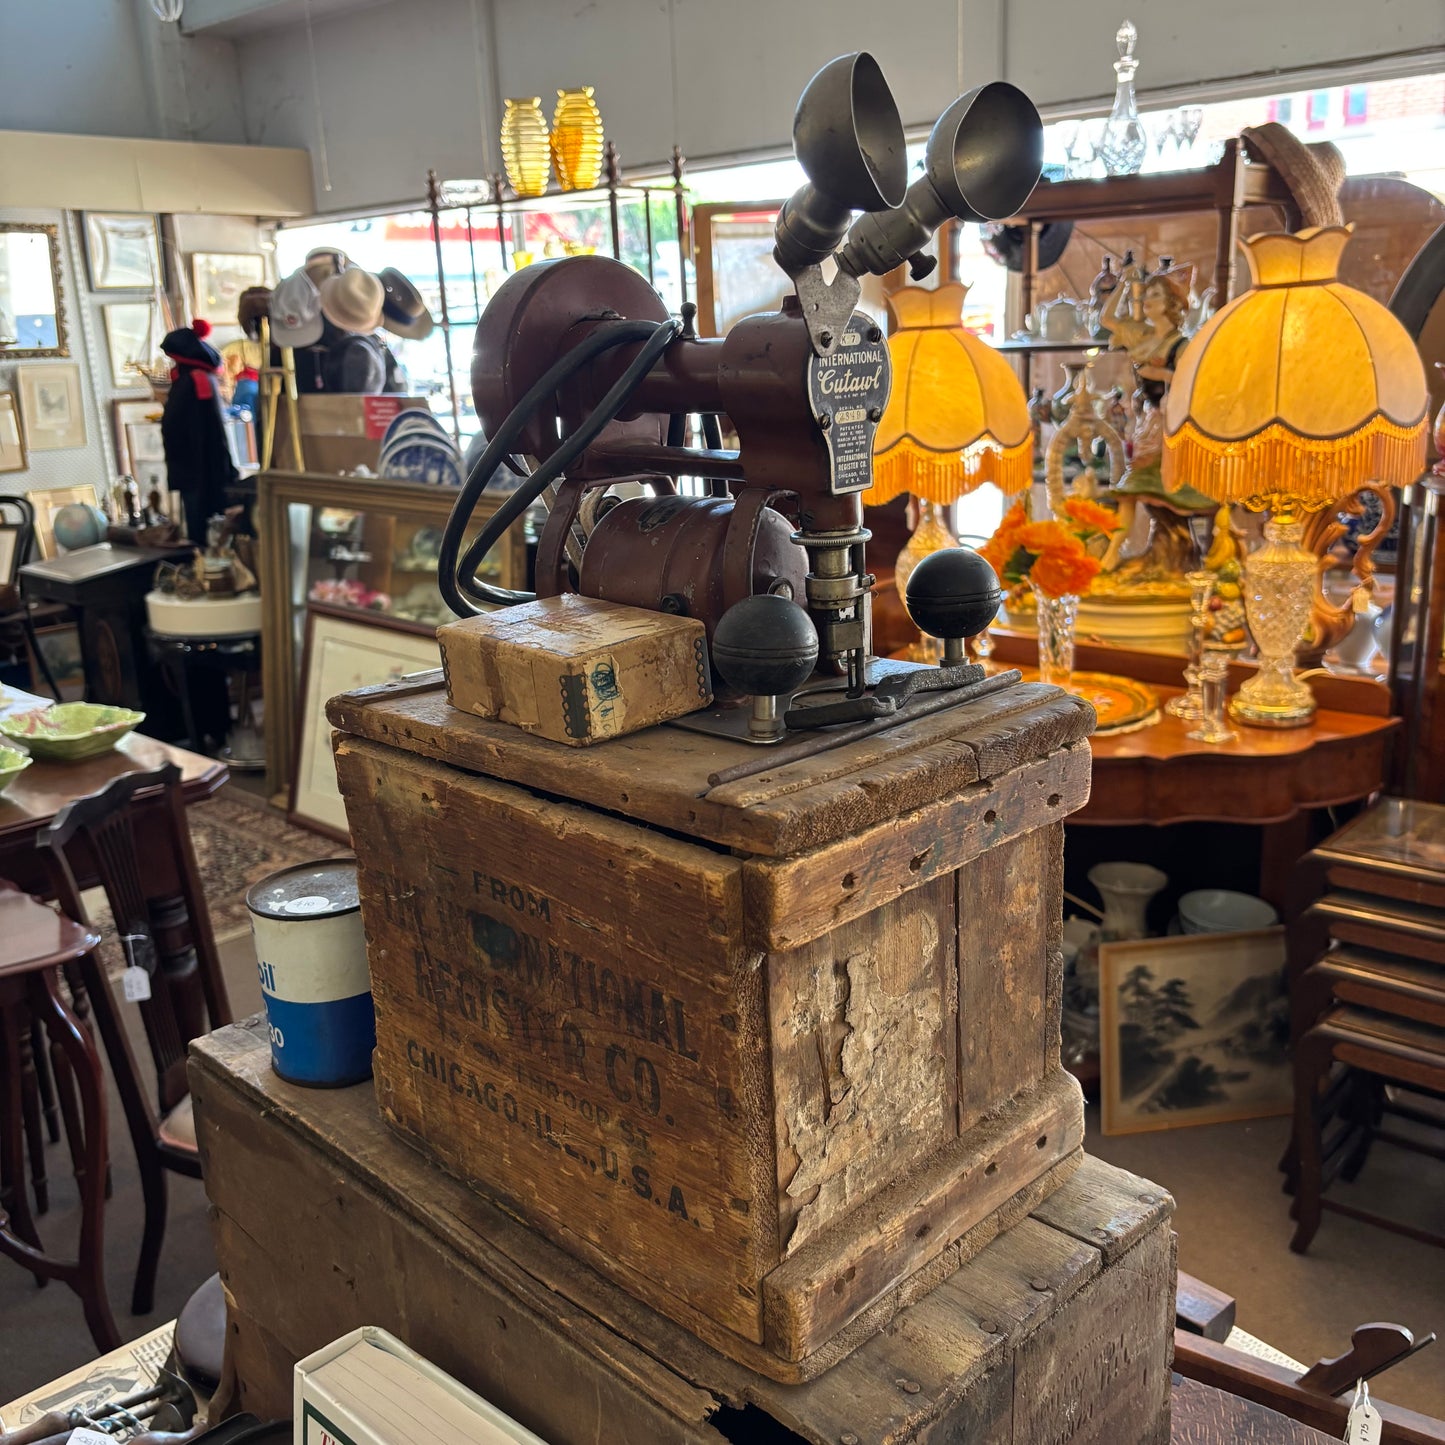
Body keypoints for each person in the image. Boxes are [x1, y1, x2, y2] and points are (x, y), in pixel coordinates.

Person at [160, 320, 239, 545]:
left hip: (197, 467)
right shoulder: (198, 380)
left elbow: (200, 428)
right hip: (198, 465)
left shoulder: (195, 381)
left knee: (204, 531)